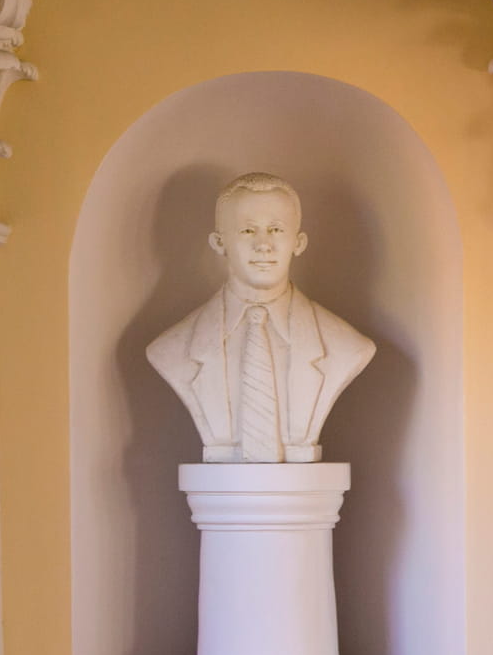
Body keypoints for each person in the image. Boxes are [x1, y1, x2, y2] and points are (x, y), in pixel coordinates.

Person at [146, 172, 375, 463]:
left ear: (299, 242)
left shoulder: (346, 346)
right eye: (247, 231)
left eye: (276, 230)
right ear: (219, 242)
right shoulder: (171, 350)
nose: (263, 245)